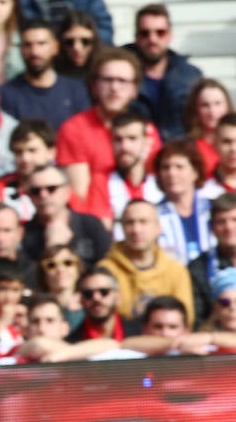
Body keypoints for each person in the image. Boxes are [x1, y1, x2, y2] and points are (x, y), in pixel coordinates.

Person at [56, 47, 162, 223]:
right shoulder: (75, 129)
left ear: (135, 89)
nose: (114, 88)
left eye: (122, 81)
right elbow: (79, 197)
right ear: (94, 86)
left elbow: (154, 184)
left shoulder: (147, 130)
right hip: (98, 223)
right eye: (107, 80)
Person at [97, 199, 195, 324]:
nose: (136, 229)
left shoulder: (176, 271)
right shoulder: (106, 271)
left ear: (158, 228)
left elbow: (185, 320)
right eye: (129, 223)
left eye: (143, 222)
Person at [125, 4, 205, 143]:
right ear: (137, 37)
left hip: (180, 154)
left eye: (160, 32)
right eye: (145, 33)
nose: (153, 39)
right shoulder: (120, 75)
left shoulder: (190, 76)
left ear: (169, 36)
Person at [0, 19, 90, 130]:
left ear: (55, 47)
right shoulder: (7, 94)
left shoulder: (76, 91)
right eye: (28, 45)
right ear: (21, 49)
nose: (34, 52)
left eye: (41, 44)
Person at [20, 164, 111, 265]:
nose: (43, 195)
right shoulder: (23, 234)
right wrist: (51, 249)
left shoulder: (91, 225)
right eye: (36, 191)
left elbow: (106, 268)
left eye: (51, 189)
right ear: (29, 196)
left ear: (67, 191)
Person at [153, 139, 213, 264]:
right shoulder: (153, 215)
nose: (171, 173)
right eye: (165, 167)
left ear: (195, 172)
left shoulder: (213, 210)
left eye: (179, 167)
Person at [190, 192, 236, 326]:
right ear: (211, 227)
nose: (228, 227)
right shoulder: (198, 268)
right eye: (221, 221)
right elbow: (197, 321)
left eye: (234, 220)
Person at [66, 266, 138, 343]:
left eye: (104, 292)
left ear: (118, 297)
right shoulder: (71, 344)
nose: (96, 298)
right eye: (88, 294)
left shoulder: (140, 333)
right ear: (80, 300)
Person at [185, 79, 232, 177]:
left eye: (218, 103)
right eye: (205, 105)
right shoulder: (188, 147)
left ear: (227, 106)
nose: (212, 111)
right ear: (196, 109)